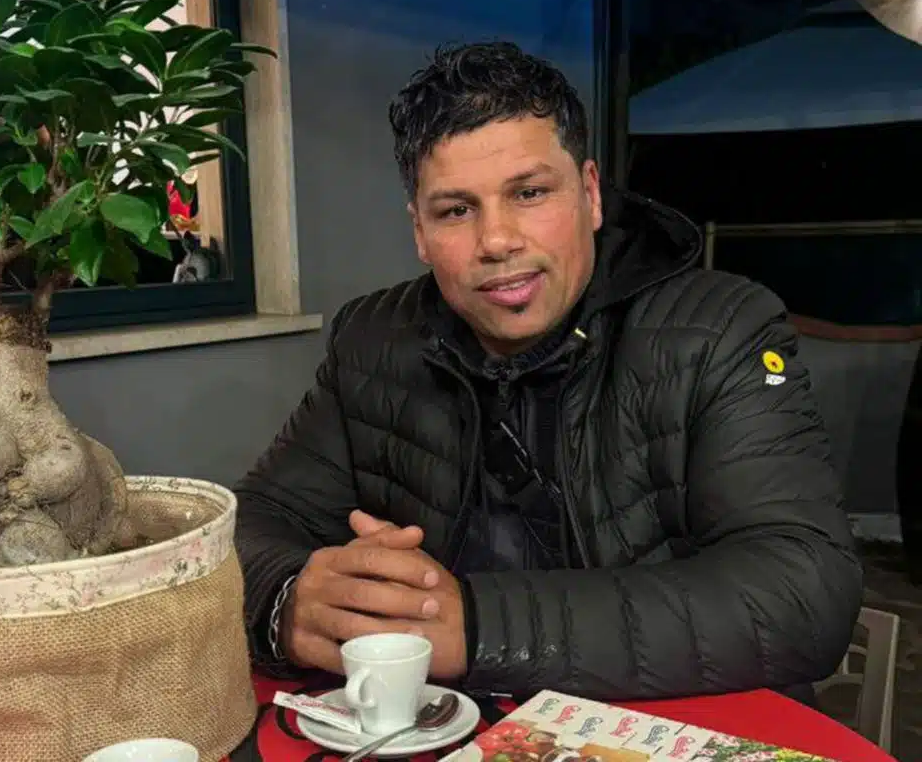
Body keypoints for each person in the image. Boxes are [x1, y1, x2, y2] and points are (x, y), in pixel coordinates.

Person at [235, 41, 862, 701]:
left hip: (675, 727)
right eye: (456, 210)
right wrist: (288, 597)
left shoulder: (719, 329)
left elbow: (803, 592)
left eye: (530, 193)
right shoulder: (373, 339)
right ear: (419, 231)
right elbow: (254, 519)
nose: (497, 241)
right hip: (444, 727)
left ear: (590, 194)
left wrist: (475, 627)